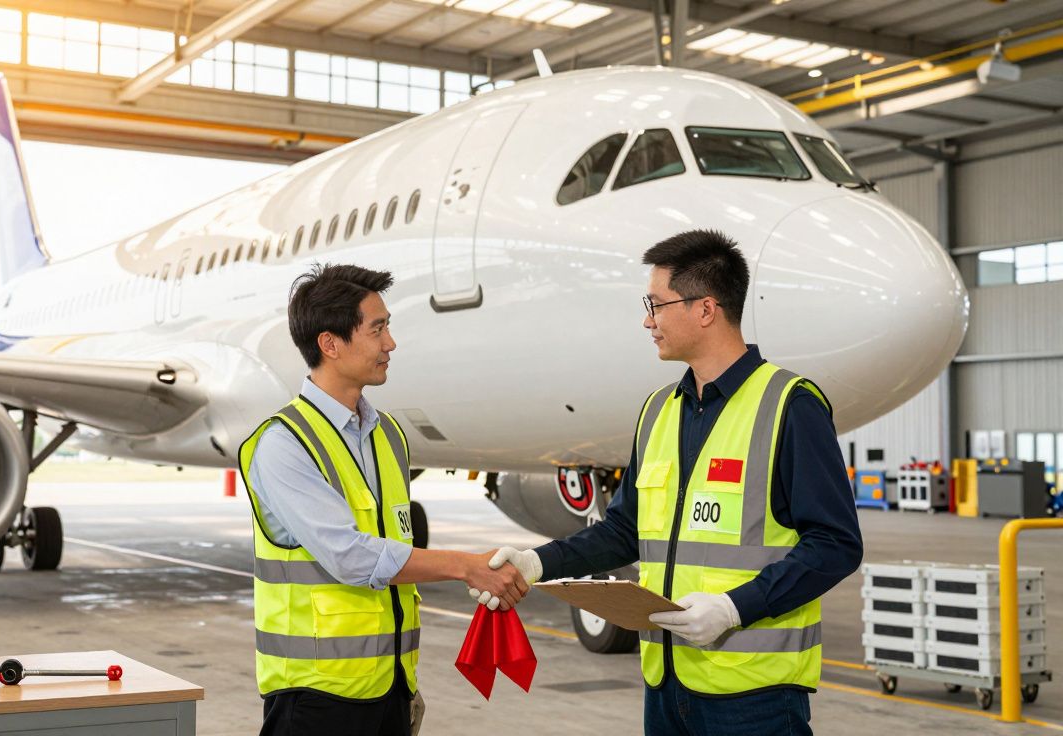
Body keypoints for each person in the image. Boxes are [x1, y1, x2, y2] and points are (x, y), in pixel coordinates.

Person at [486, 230, 863, 735]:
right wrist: (537, 562)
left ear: (705, 309)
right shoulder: (659, 410)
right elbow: (624, 530)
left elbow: (836, 544)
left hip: (754, 695)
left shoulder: (790, 406)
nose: (648, 320)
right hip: (665, 686)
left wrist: (733, 608)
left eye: (656, 305)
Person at [238, 263, 529, 736]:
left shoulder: (388, 435)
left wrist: (400, 687)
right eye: (377, 329)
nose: (390, 343)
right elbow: (349, 556)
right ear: (330, 344)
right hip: (315, 697)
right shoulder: (284, 444)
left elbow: (391, 548)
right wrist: (466, 566)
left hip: (390, 687)